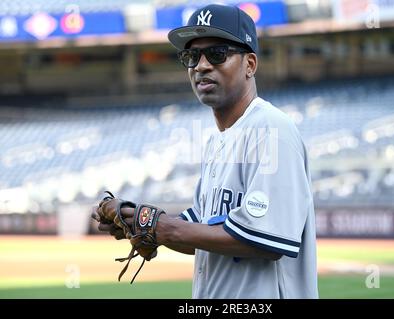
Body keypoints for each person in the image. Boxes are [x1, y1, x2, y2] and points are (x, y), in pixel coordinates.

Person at [97, 4, 318, 299]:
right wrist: (135, 216)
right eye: (191, 56)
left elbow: (265, 240)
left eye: (217, 54)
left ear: (250, 64)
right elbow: (199, 232)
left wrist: (159, 226)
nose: (201, 65)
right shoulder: (217, 141)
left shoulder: (271, 128)